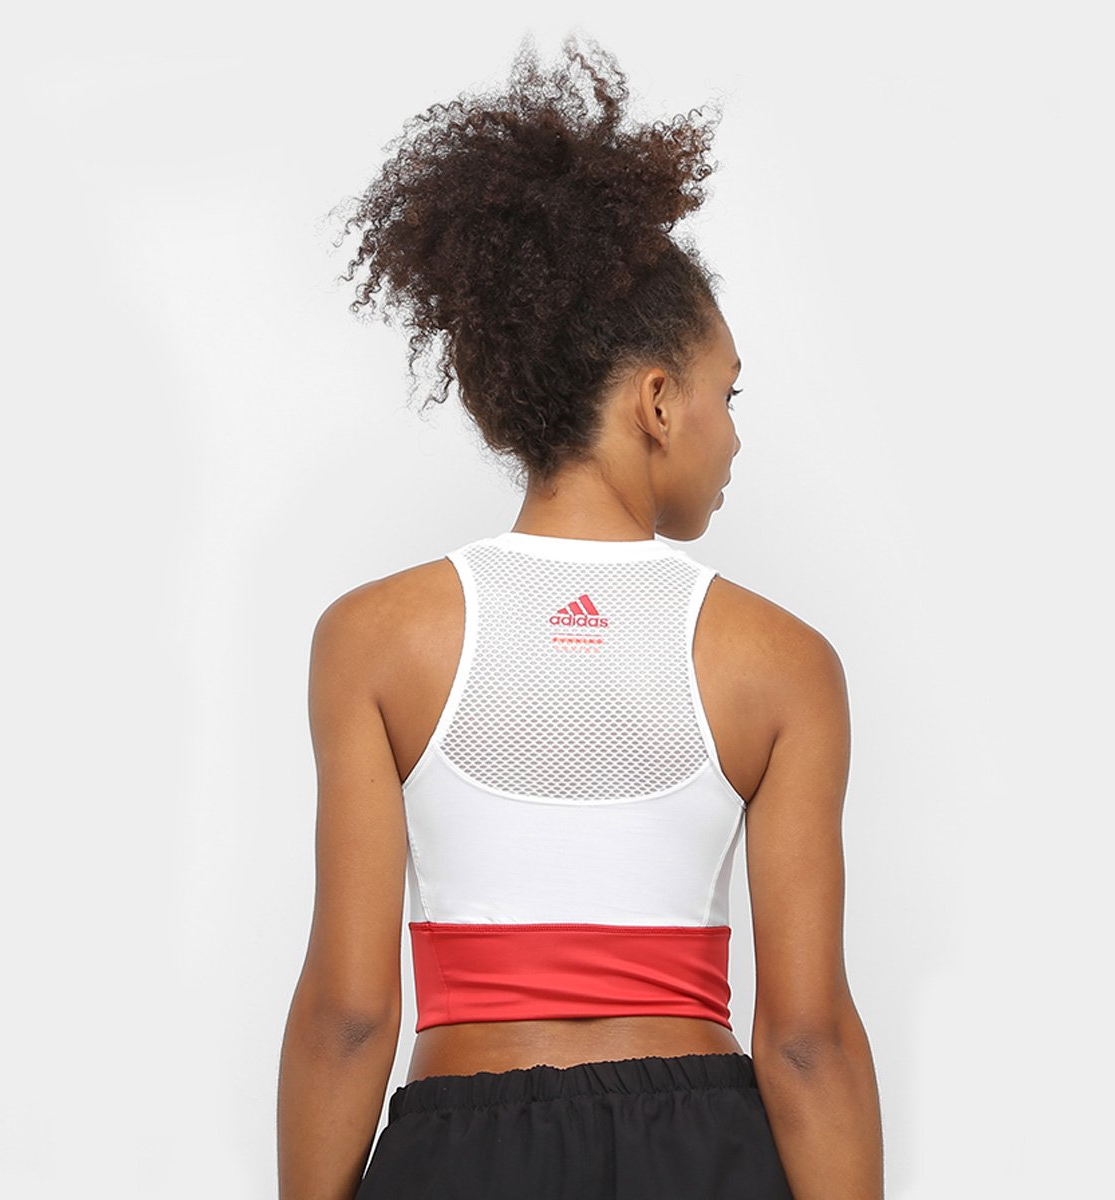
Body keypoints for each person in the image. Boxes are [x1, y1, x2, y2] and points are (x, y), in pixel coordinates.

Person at [277, 33, 883, 1200]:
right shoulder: (781, 662)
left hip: (460, 1152)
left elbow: (349, 1018)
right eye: (727, 394)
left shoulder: (375, 639)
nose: (734, 435)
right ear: (657, 402)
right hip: (698, 1148)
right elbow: (807, 1041)